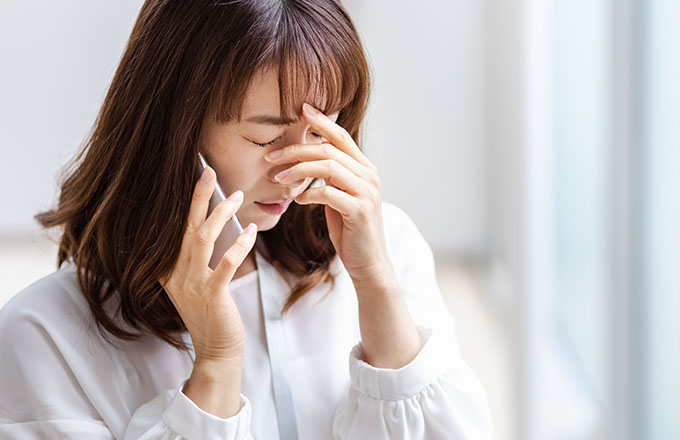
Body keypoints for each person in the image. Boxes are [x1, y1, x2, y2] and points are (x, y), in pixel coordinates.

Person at [0, 1, 492, 439]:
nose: (299, 170)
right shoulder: (43, 336)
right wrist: (215, 366)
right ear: (174, 128)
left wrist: (378, 287)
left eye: (326, 126)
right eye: (267, 140)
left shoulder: (389, 246)